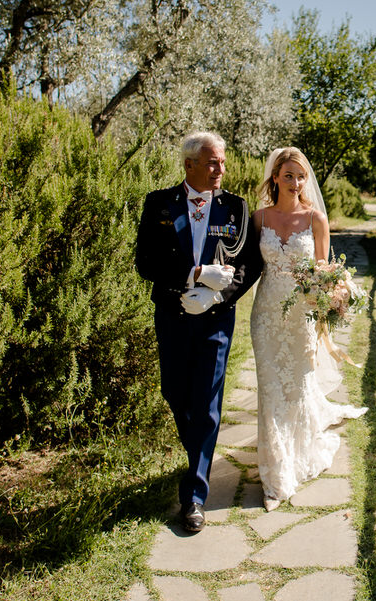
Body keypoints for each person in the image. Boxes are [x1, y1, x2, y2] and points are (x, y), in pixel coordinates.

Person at [136, 132, 262, 532]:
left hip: (215, 320)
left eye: (222, 163)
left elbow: (250, 264)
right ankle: (198, 454)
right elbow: (146, 262)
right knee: (174, 392)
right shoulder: (158, 203)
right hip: (171, 315)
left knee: (208, 402)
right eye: (212, 163)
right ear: (189, 164)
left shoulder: (237, 208)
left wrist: (219, 296)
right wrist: (192, 275)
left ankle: (194, 496)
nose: (220, 170)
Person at [250, 147, 367, 512]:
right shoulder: (259, 218)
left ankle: (296, 457)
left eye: (300, 176)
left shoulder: (316, 218)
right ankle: (275, 476)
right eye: (288, 175)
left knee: (297, 385)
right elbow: (248, 266)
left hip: (300, 314)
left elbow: (322, 269)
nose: (295, 182)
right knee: (270, 389)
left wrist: (333, 293)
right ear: (275, 177)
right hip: (266, 312)